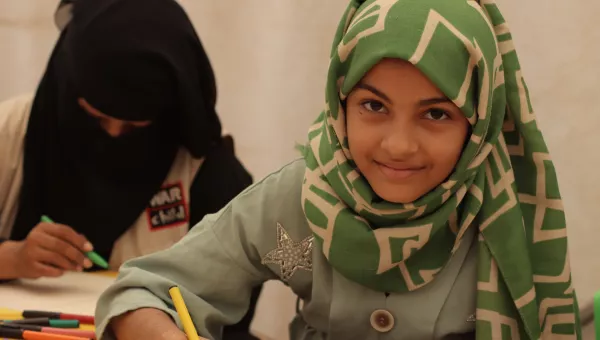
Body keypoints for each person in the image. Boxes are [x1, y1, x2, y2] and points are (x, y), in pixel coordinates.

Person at [94, 0, 581, 339]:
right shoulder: (305, 192)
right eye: (373, 106)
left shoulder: (507, 219)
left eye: (436, 113)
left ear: (479, 120)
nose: (398, 145)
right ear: (339, 101)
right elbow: (144, 289)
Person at [0, 0, 261, 338]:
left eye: (134, 126)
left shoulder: (208, 175)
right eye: (93, 117)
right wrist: (11, 257)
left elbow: (228, 311)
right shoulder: (11, 132)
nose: (111, 135)